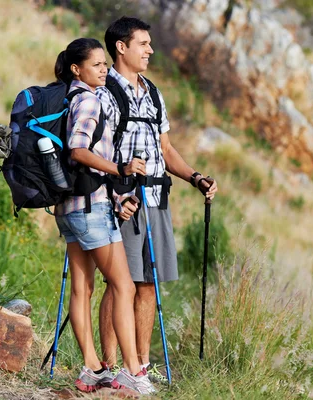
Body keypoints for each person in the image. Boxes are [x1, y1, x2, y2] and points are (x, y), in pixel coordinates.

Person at [97, 17, 218, 379]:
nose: (150, 50)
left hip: (156, 199)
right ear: (121, 47)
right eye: (143, 43)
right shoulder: (104, 93)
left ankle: (140, 369)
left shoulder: (152, 92)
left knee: (148, 284)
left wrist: (195, 177)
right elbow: (94, 151)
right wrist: (115, 194)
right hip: (122, 200)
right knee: (119, 284)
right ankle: (108, 366)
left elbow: (165, 148)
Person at [53, 37, 157, 394]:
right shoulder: (88, 101)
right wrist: (119, 169)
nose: (104, 69)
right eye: (97, 65)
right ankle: (131, 371)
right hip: (90, 207)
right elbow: (78, 150)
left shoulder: (68, 98)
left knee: (82, 289)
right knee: (124, 286)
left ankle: (92, 369)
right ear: (77, 69)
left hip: (68, 207)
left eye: (104, 64)